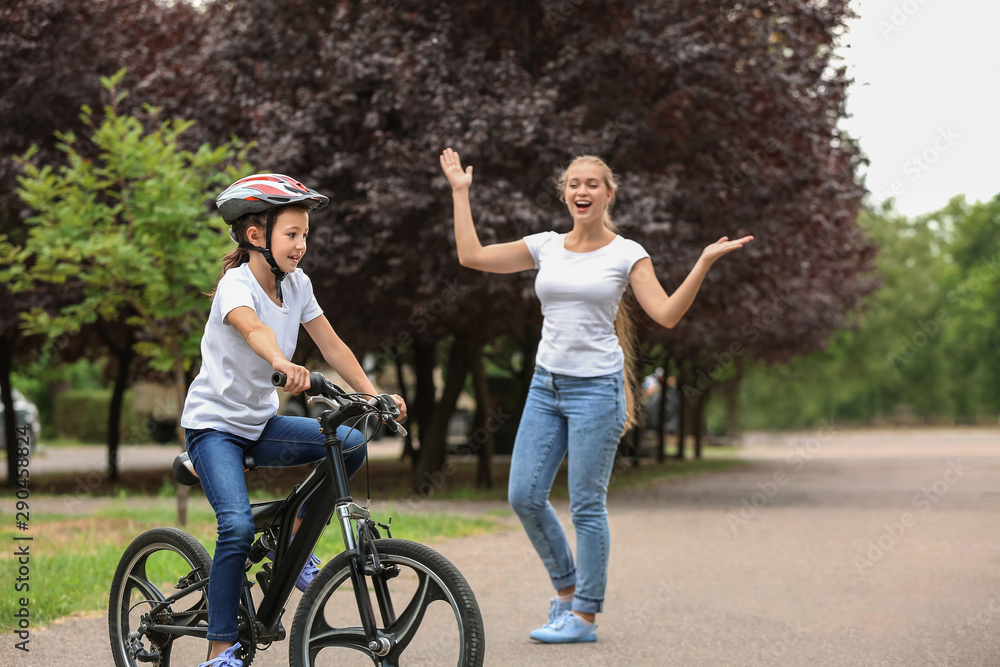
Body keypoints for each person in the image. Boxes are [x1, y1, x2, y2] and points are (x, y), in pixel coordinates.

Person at [439, 148, 752, 643]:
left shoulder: (628, 253)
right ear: (564, 193)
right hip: (546, 385)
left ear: (609, 194)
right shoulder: (545, 245)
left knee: (586, 504)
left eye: (592, 184)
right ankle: (565, 591)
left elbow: (667, 314)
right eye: (573, 184)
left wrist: (703, 263)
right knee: (523, 495)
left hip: (597, 390)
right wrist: (460, 193)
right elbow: (471, 256)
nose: (581, 191)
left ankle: (584, 615)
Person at [180, 173, 406, 667]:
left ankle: (296, 544)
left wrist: (375, 396)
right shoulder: (235, 286)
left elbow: (332, 345)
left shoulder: (298, 284)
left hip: (259, 424)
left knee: (349, 443)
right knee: (236, 528)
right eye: (291, 234)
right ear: (255, 235)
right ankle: (220, 650)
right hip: (214, 427)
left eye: (306, 235)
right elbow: (255, 329)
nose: (301, 245)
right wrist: (282, 363)